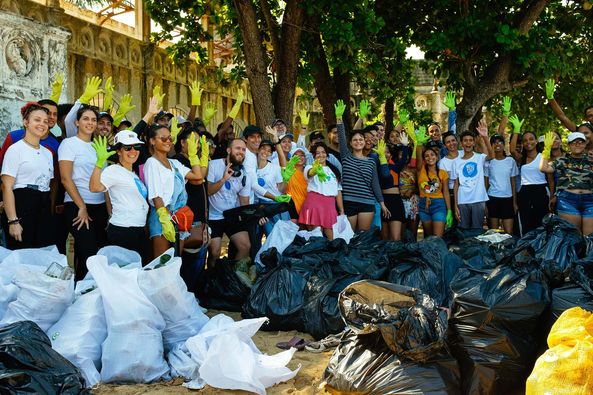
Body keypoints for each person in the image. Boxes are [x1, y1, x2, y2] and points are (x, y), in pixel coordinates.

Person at [58, 106, 109, 280]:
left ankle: (85, 294)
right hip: (77, 205)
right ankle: (80, 293)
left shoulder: (99, 145)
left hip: (100, 205)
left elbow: (104, 180)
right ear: (77, 122)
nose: (90, 123)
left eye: (94, 120)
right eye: (86, 119)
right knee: (89, 250)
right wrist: (81, 206)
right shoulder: (69, 144)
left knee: (96, 253)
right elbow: (65, 178)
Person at [143, 124, 207, 257]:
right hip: (162, 216)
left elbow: (198, 177)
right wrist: (165, 220)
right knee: (162, 263)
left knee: (175, 261)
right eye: (163, 138)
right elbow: (156, 195)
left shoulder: (174, 163)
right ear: (152, 141)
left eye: (170, 138)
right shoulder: (152, 162)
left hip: (180, 217)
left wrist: (194, 155)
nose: (168, 141)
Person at [88, 131, 149, 262]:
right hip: (123, 230)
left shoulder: (132, 173)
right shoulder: (113, 171)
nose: (133, 151)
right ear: (119, 151)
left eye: (136, 147)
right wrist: (99, 163)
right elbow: (94, 188)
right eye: (127, 147)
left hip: (137, 229)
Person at [1, 102, 54, 249]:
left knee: (43, 257)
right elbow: (6, 187)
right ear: (26, 122)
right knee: (21, 258)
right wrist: (13, 221)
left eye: (45, 121)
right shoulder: (15, 149)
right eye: (37, 120)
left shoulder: (48, 153)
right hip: (22, 205)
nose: (42, 124)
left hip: (43, 207)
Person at [335, 100, 389, 231]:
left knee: (363, 238)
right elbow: (341, 138)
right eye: (355, 140)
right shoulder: (346, 157)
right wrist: (339, 118)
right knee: (349, 238)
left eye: (361, 139)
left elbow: (375, 184)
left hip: (367, 202)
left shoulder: (371, 161)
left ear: (365, 142)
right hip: (349, 202)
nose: (358, 142)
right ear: (351, 143)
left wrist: (382, 204)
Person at [206, 138, 252, 267]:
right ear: (228, 150)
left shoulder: (244, 175)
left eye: (243, 149)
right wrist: (223, 179)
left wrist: (255, 216)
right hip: (213, 217)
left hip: (231, 215)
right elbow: (208, 191)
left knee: (245, 246)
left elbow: (244, 202)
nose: (241, 152)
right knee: (214, 253)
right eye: (238, 148)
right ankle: (212, 280)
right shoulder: (214, 165)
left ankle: (232, 278)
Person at [540, 131, 593, 235]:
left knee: (589, 237)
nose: (577, 144)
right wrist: (546, 149)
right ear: (569, 145)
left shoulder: (591, 159)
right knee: (574, 237)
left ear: (585, 144)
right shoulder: (562, 160)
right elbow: (544, 168)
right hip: (568, 200)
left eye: (580, 142)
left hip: (590, 200)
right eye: (574, 142)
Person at [509, 115, 550, 235]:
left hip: (541, 191)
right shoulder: (522, 158)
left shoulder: (543, 156)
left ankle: (542, 249)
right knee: (526, 223)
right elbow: (512, 150)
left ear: (536, 141)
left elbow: (551, 180)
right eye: (525, 140)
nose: (528, 142)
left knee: (542, 223)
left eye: (531, 139)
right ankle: (526, 249)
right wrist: (516, 130)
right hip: (525, 192)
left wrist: (552, 196)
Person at [452, 121, 494, 231]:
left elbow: (492, 155)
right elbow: (456, 185)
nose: (468, 143)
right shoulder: (456, 162)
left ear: (474, 143)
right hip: (462, 200)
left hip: (478, 199)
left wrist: (485, 137)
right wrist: (455, 205)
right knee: (463, 231)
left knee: (477, 230)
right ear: (461, 143)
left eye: (470, 140)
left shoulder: (479, 157)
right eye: (465, 140)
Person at [299, 143, 344, 239]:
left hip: (330, 206)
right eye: (317, 153)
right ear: (314, 155)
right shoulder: (309, 167)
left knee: (333, 239)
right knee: (317, 238)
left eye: (323, 152)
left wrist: (341, 211)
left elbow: (338, 191)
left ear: (327, 154)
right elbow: (309, 174)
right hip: (314, 205)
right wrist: (315, 170)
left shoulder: (334, 170)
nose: (321, 155)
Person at [416, 140, 452, 237]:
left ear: (436, 157)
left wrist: (449, 210)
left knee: (437, 238)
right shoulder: (420, 170)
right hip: (424, 205)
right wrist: (419, 144)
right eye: (426, 156)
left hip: (438, 205)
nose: (430, 157)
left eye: (432, 155)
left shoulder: (443, 173)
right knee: (428, 237)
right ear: (424, 159)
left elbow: (446, 192)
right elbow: (418, 157)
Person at [485, 134, 519, 234]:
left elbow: (513, 183)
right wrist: (485, 204)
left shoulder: (510, 161)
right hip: (492, 198)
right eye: (494, 143)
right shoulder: (488, 162)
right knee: (493, 232)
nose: (497, 144)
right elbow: (485, 183)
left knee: (509, 232)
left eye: (500, 142)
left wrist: (514, 202)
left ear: (504, 145)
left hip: (507, 199)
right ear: (491, 146)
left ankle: (509, 249)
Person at [377, 138, 409, 240]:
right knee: (384, 238)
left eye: (387, 152)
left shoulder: (395, 167)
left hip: (395, 201)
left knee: (395, 238)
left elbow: (404, 159)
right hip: (382, 201)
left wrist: (405, 146)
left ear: (390, 155)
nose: (385, 154)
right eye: (382, 152)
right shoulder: (377, 168)